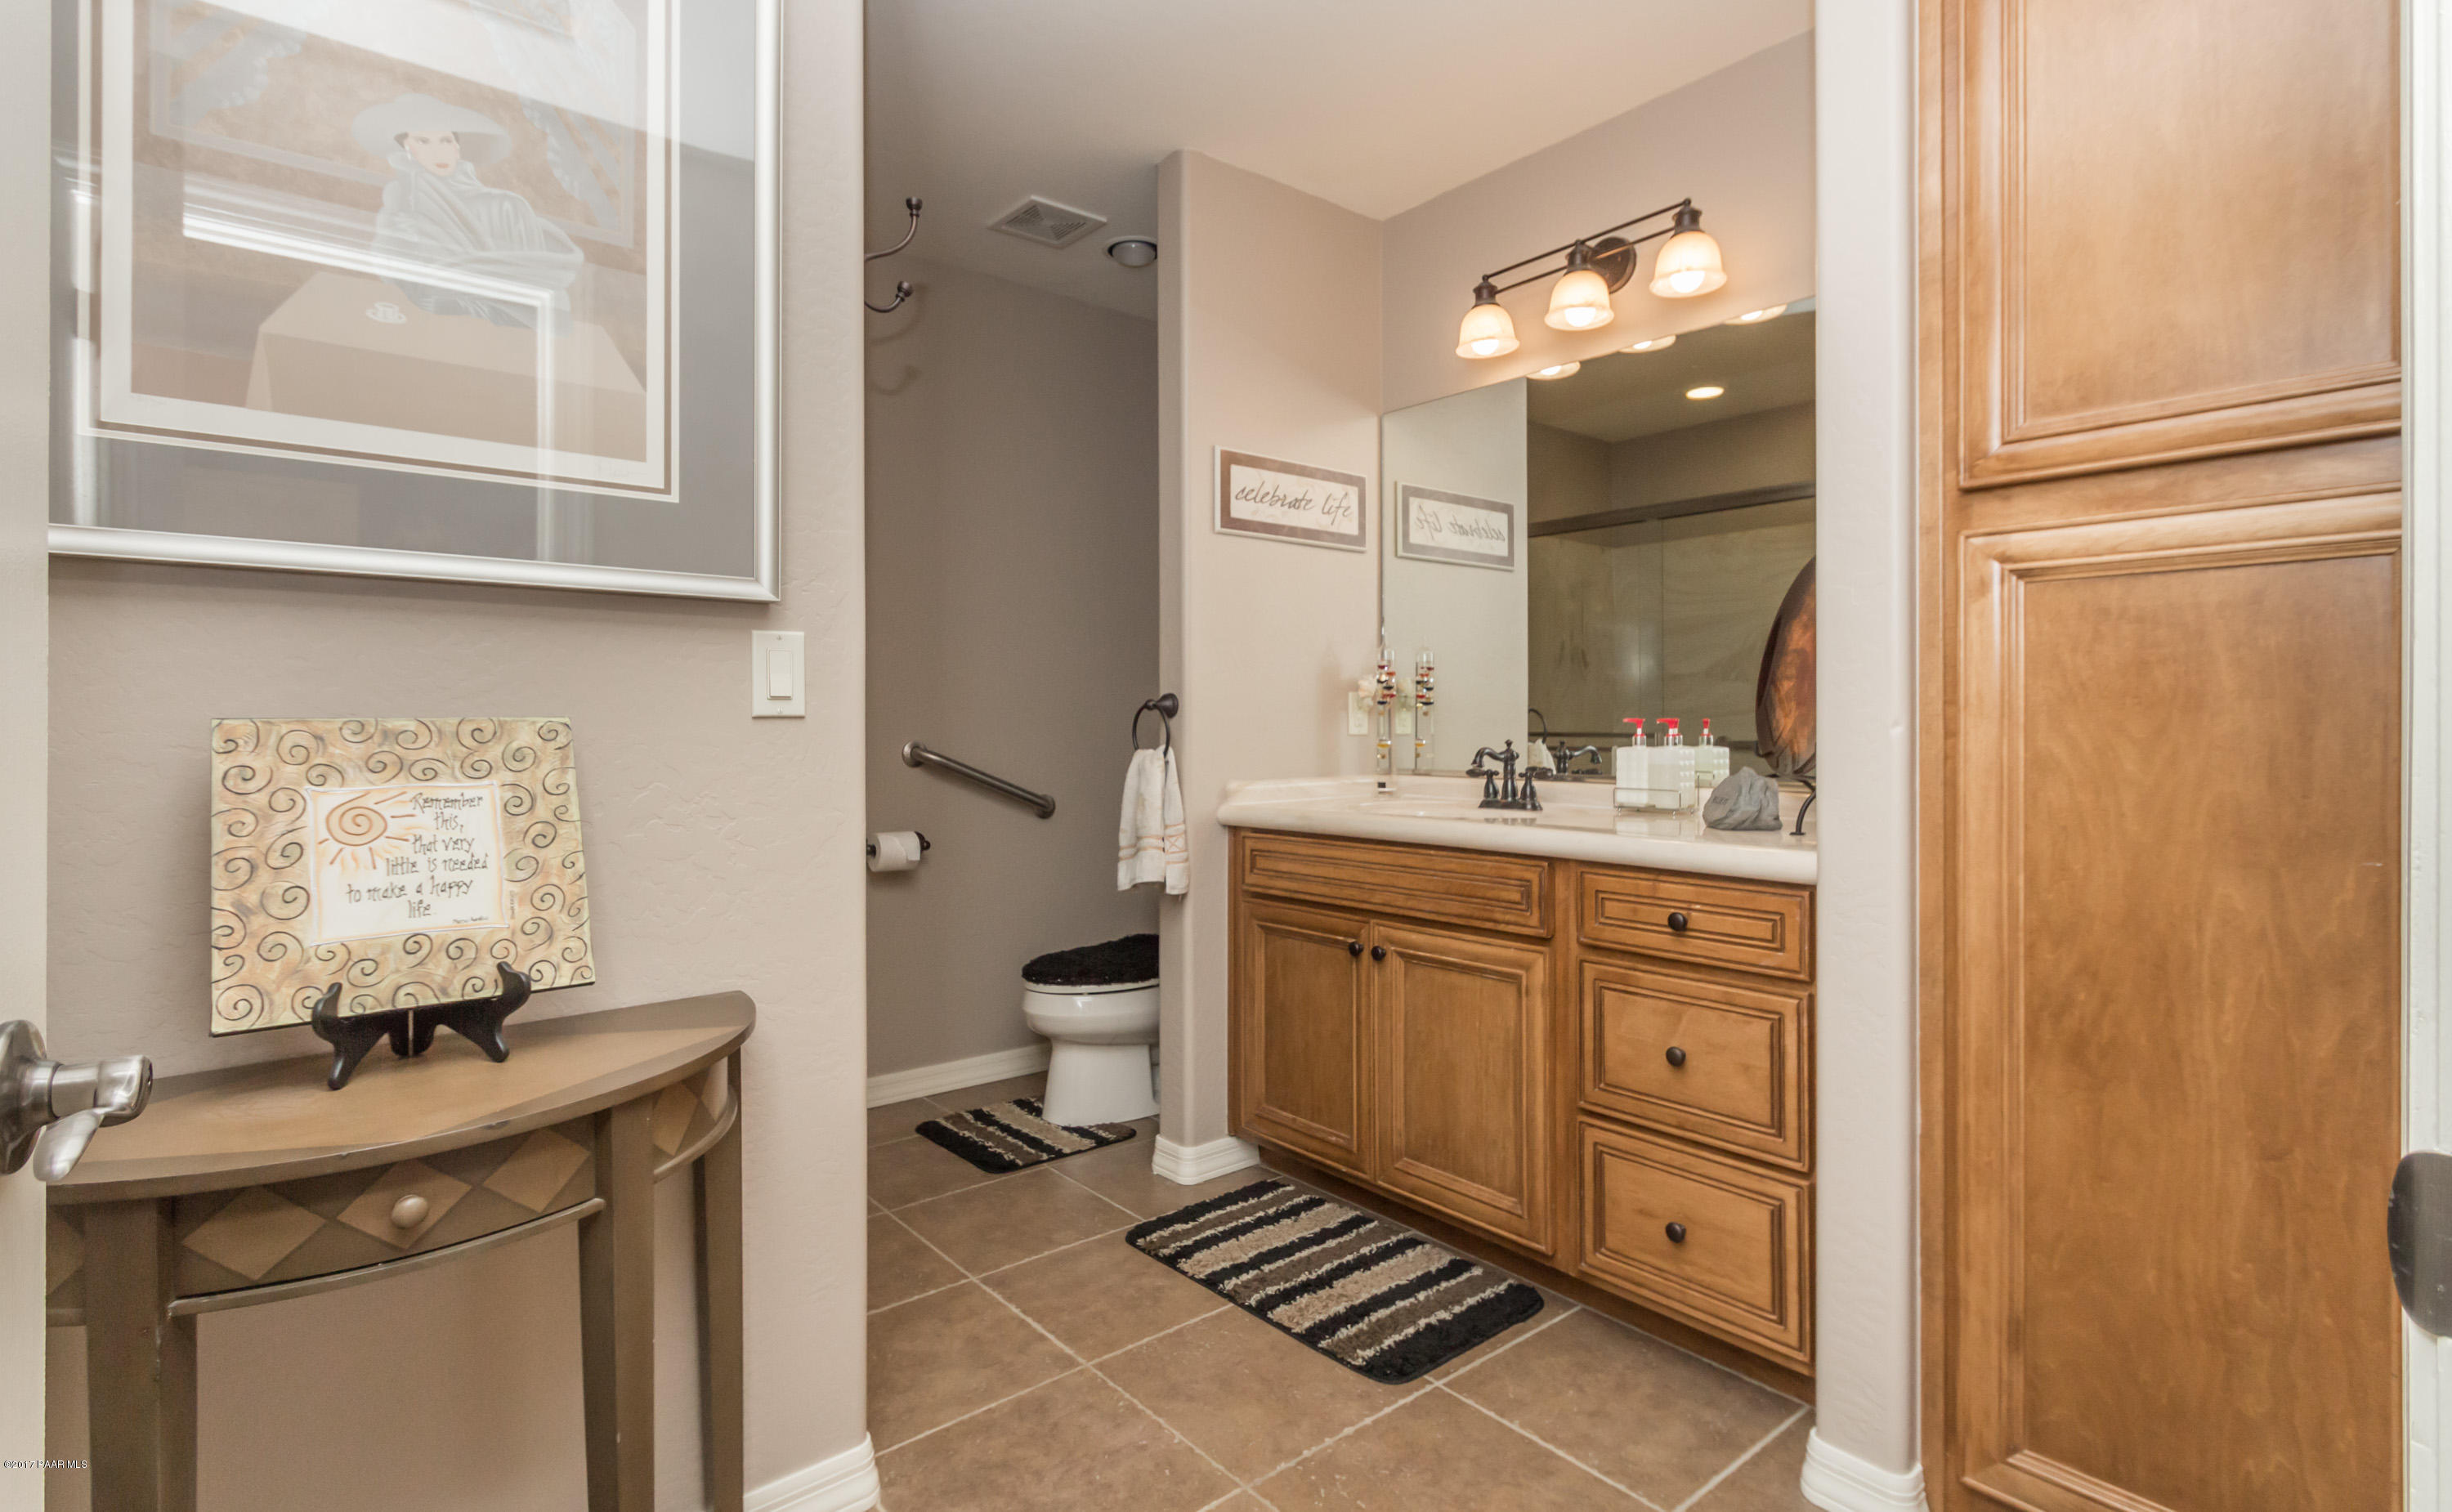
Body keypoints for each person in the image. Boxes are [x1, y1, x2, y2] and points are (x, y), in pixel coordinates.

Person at [350, 92, 583, 331]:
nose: (439, 151)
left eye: (446, 140)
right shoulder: (401, 205)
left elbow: (536, 286)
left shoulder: (507, 205)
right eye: (423, 141)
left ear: (458, 149)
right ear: (407, 149)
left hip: (510, 338)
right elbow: (405, 280)